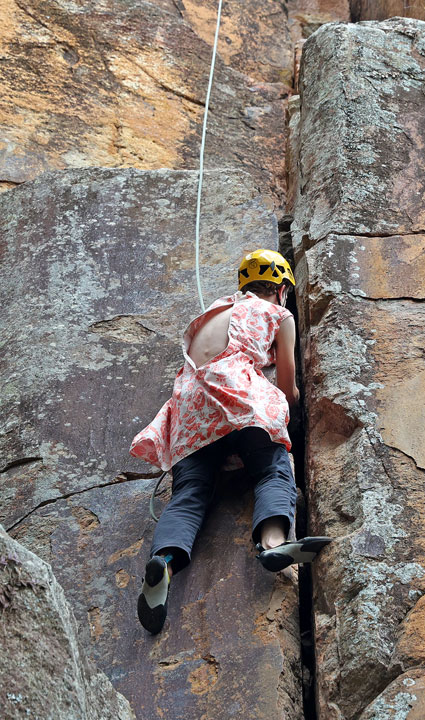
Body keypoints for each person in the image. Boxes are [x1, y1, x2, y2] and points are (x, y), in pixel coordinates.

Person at [130, 249, 331, 634]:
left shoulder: (215, 312)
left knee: (189, 492)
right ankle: (272, 543)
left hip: (189, 407)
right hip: (237, 395)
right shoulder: (278, 314)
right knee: (272, 469)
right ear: (283, 288)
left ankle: (165, 561)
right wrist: (296, 414)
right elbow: (288, 388)